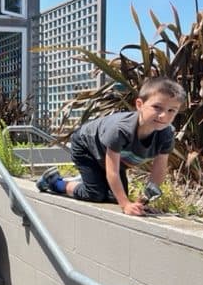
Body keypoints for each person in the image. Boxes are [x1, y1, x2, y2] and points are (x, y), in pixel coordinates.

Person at [36, 76, 186, 216]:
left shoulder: (166, 134)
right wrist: (125, 204)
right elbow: (112, 170)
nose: (163, 116)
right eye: (157, 107)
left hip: (113, 156)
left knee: (114, 198)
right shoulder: (121, 130)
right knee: (95, 194)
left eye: (171, 110)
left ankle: (87, 180)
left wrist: (143, 201)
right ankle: (56, 183)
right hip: (86, 146)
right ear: (139, 104)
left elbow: (158, 171)